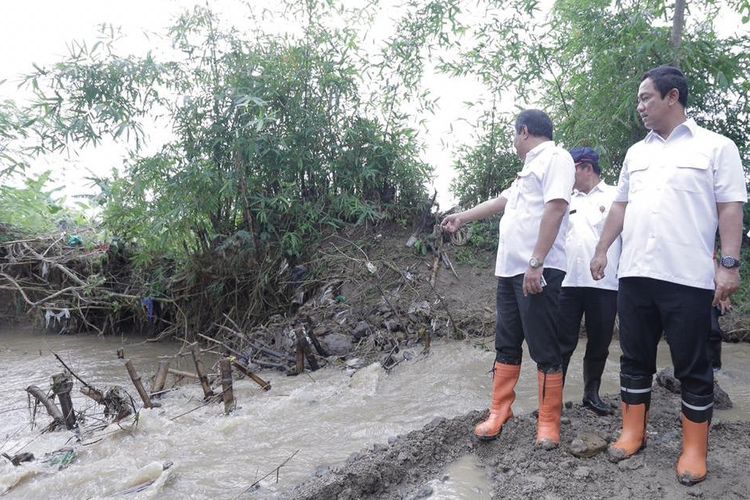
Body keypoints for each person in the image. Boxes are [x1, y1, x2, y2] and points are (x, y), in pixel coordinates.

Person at [590, 66, 746, 486]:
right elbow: (620, 207)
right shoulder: (636, 154)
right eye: (639, 99)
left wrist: (728, 265)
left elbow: (730, 207)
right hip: (636, 273)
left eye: (646, 98)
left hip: (689, 278)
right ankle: (632, 432)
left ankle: (694, 450)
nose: (640, 106)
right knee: (635, 358)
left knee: (693, 366)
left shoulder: (716, 147)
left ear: (672, 97)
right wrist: (602, 248)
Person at [442, 109, 575, 449]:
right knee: (506, 342)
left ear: (524, 131)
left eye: (514, 135)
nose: (513, 142)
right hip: (510, 271)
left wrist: (536, 262)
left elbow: (556, 208)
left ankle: (548, 421)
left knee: (544, 346)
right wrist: (461, 217)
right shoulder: (525, 172)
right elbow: (500, 203)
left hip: (536, 269)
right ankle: (500, 411)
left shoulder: (556, 158)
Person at [557, 147, 621, 416]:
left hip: (605, 285)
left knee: (599, 342)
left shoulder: (616, 195)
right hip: (566, 283)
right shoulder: (563, 199)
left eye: (570, 168)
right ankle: (552, 401)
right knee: (561, 342)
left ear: (586, 168)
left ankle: (591, 394)